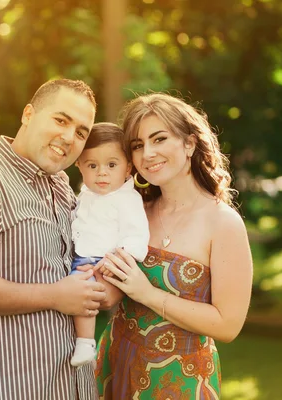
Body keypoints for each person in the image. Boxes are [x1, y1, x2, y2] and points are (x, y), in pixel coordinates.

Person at [0, 79, 109, 400]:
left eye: (81, 132)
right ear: (28, 114)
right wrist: (55, 296)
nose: (69, 137)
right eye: (61, 120)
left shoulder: (60, 186)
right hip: (9, 387)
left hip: (69, 386)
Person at [94, 93, 253, 399]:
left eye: (159, 139)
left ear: (190, 144)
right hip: (114, 364)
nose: (148, 153)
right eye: (138, 146)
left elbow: (228, 325)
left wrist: (148, 293)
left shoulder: (223, 223)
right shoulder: (135, 211)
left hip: (178, 380)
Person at [69, 122, 150, 367]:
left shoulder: (127, 199)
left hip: (102, 262)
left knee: (85, 294)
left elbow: (136, 237)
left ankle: (85, 343)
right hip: (80, 257)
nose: (102, 173)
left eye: (111, 165)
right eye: (92, 165)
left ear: (128, 168)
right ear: (79, 166)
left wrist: (114, 261)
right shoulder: (85, 194)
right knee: (76, 292)